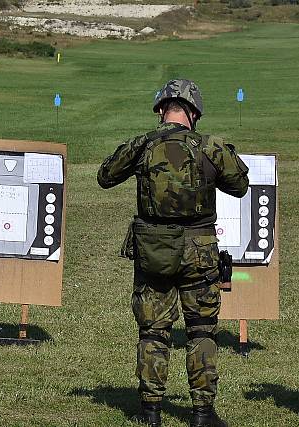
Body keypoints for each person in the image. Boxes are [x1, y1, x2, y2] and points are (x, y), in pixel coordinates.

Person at [97, 79, 249, 427]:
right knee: (201, 330)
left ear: (160, 110)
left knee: (153, 331)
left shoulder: (143, 144)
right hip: (200, 253)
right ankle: (202, 413)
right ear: (193, 112)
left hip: (153, 253)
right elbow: (240, 185)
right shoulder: (209, 146)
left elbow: (106, 175)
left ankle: (150, 413)